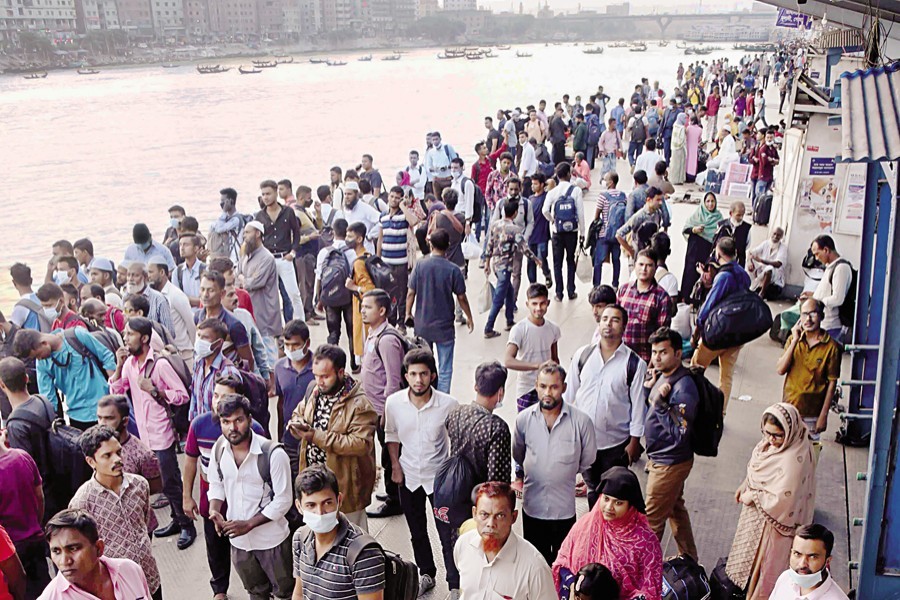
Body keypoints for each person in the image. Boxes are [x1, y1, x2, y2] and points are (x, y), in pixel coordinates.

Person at [108, 317, 195, 549]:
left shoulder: (160, 365)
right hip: (145, 435)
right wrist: (118, 367)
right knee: (161, 481)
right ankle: (177, 520)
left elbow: (182, 395)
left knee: (170, 481)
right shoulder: (129, 365)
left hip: (162, 432)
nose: (125, 339)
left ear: (144, 338)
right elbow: (116, 390)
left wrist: (156, 390)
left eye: (130, 334)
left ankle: (187, 525)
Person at [183, 376, 267, 600]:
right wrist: (186, 497)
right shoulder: (199, 425)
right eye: (216, 395)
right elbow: (191, 461)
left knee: (251, 547)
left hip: (247, 501)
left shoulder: (255, 429)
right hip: (212, 499)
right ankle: (219, 589)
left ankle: (258, 587)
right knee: (215, 546)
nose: (219, 401)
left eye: (226, 396)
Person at [384, 348, 460, 595]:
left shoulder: (448, 405)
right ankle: (426, 573)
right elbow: (391, 435)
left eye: (424, 374)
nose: (419, 380)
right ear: (406, 376)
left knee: (447, 534)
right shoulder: (394, 404)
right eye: (414, 374)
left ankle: (455, 583)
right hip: (408, 478)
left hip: (439, 482)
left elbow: (456, 442)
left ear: (433, 375)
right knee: (417, 532)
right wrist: (395, 466)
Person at [725, 403, 817, 599]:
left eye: (777, 435)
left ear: (790, 432)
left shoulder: (795, 457)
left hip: (774, 528)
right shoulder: (768, 445)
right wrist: (745, 484)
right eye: (766, 433)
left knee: (765, 574)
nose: (770, 440)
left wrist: (753, 496)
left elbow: (784, 499)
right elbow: (756, 470)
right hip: (756, 521)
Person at [208, 394, 294, 600]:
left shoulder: (273, 454)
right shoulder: (219, 449)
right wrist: (214, 510)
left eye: (238, 420)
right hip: (240, 544)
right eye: (225, 422)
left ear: (250, 419)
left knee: (285, 593)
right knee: (255, 593)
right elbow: (216, 483)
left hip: (272, 541)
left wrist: (249, 524)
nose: (232, 427)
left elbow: (283, 500)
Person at [288, 344, 377, 531]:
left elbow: (360, 444)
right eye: (316, 376)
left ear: (340, 372)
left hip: (346, 487)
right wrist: (296, 423)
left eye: (325, 376)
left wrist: (315, 436)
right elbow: (300, 411)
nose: (319, 381)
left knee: (353, 539)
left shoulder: (359, 404)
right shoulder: (314, 391)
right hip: (314, 484)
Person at [565, 305, 647, 508]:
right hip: (585, 441)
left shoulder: (634, 364)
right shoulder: (583, 355)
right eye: (604, 319)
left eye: (615, 320)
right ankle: (597, 531)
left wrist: (634, 442)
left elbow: (638, 407)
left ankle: (612, 534)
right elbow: (567, 395)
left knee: (613, 493)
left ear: (624, 326)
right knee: (593, 489)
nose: (608, 324)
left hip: (615, 444)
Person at [514, 363, 595, 565]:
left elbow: (588, 459)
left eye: (554, 387)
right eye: (543, 386)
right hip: (532, 508)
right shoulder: (524, 420)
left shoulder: (581, 422)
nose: (547, 392)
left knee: (563, 564)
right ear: (536, 385)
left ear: (564, 387)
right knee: (536, 564)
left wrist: (564, 471)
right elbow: (518, 453)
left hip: (564, 511)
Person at [69, 425, 161, 599]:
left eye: (119, 452)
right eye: (107, 455)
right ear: (91, 462)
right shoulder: (82, 501)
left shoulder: (140, 485)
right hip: (116, 586)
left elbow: (145, 524)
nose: (117, 459)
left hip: (149, 576)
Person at [553, 467, 662, 600]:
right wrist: (573, 587)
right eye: (606, 499)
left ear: (630, 506)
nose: (609, 507)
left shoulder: (646, 542)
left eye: (618, 503)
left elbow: (651, 589)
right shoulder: (586, 525)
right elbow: (562, 562)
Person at [643, 327, 699, 561]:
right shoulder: (664, 377)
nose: (657, 357)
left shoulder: (683, 388)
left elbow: (680, 432)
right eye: (654, 352)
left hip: (669, 462)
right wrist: (651, 391)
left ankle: (646, 572)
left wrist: (660, 404)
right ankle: (689, 558)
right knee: (675, 509)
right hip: (662, 458)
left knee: (651, 522)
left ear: (678, 353)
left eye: (663, 352)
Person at [291, 465, 386, 600]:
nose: (320, 512)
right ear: (299, 507)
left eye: (327, 503)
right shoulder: (300, 538)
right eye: (311, 505)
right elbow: (299, 593)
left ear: (339, 500)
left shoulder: (362, 553)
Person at [454, 481, 556, 599]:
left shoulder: (535, 568)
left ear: (513, 517)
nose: (491, 524)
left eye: (500, 516)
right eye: (484, 514)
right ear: (474, 514)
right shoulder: (463, 545)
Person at [407, 229, 473, 392]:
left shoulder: (420, 265)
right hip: (444, 328)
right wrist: (469, 317)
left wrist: (408, 313)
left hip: (423, 325)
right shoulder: (453, 269)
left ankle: (425, 394)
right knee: (445, 369)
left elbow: (410, 292)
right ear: (448, 246)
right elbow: (461, 297)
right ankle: (443, 402)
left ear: (430, 244)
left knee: (424, 365)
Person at [359, 290, 406, 519]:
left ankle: (396, 500)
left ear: (382, 311)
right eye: (362, 306)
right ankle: (391, 492)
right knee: (384, 452)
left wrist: (387, 413)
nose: (362, 311)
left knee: (390, 455)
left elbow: (392, 380)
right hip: (373, 409)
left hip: (383, 411)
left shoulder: (387, 340)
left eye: (368, 307)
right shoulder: (373, 334)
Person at [13, 327, 116, 430]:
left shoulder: (76, 336)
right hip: (78, 416)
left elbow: (106, 357)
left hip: (105, 407)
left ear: (44, 343)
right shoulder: (42, 364)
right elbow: (48, 396)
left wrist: (115, 391)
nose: (39, 359)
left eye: (38, 355)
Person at [38, 508, 153, 600]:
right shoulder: (51, 597)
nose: (64, 561)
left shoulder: (130, 570)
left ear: (99, 548)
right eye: (56, 551)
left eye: (73, 548)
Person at [692, 237, 752, 409]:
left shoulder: (723, 277)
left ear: (718, 254)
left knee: (696, 369)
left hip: (718, 333)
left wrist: (697, 331)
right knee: (726, 377)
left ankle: (693, 406)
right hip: (737, 334)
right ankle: (720, 414)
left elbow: (707, 308)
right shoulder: (744, 275)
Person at [776, 298, 841, 440]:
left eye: (813, 314)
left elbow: (832, 384)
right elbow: (781, 370)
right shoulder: (794, 340)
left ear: (822, 316)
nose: (808, 319)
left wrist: (823, 416)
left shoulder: (832, 348)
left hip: (812, 415)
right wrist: (794, 340)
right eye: (804, 314)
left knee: (809, 457)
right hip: (789, 408)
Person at [0, 429, 51, 598]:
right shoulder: (22, 456)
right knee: (46, 590)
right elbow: (40, 497)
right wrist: (36, 524)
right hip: (35, 538)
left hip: (12, 550)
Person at [446, 361, 512, 490]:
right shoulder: (497, 428)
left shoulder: (455, 413)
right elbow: (497, 480)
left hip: (455, 489)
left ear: (476, 387)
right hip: (480, 498)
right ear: (501, 392)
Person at [484, 201, 541, 338]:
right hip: (505, 266)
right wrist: (536, 259)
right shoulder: (515, 230)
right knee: (499, 297)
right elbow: (524, 248)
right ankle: (488, 327)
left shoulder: (495, 225)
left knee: (509, 292)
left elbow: (489, 244)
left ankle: (509, 320)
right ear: (515, 213)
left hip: (496, 264)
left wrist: (486, 262)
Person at [504, 283, 560, 418]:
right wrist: (537, 366)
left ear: (548, 303)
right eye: (534, 304)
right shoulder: (519, 329)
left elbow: (555, 358)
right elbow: (508, 361)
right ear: (527, 304)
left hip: (547, 388)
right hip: (526, 388)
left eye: (542, 303)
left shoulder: (553, 329)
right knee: (525, 427)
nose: (538, 308)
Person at [377, 186, 421, 329]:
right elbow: (380, 239)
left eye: (397, 197)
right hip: (386, 263)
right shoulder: (382, 216)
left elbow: (414, 221)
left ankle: (401, 324)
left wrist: (403, 206)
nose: (394, 200)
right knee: (388, 294)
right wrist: (378, 260)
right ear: (388, 197)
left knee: (402, 294)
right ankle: (390, 323)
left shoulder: (404, 216)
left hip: (400, 263)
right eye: (392, 197)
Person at [239, 220, 282, 368]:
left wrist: (243, 280)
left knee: (269, 356)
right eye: (244, 232)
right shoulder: (245, 256)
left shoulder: (267, 258)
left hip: (265, 313)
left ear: (258, 234)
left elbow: (253, 283)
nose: (244, 236)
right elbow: (238, 275)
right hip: (251, 312)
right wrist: (242, 279)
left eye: (248, 232)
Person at [617, 250, 672, 363]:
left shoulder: (662, 297)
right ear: (635, 265)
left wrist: (652, 364)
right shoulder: (623, 290)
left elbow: (661, 334)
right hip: (620, 355)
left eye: (649, 265)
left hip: (644, 359)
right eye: (641, 264)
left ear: (655, 268)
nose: (644, 269)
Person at [768, 524, 850, 600]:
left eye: (812, 557)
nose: (802, 564)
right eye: (797, 554)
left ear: (827, 560)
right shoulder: (785, 578)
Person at [194, 270, 254, 372]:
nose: (205, 295)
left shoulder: (233, 325)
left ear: (222, 293)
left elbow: (248, 361)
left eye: (210, 290)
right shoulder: (198, 316)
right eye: (202, 289)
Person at [543, 162, 585, 302]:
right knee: (570, 260)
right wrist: (582, 232)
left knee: (557, 263)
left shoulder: (552, 192)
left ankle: (559, 293)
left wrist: (552, 220)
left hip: (557, 232)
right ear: (568, 174)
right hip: (572, 231)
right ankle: (571, 290)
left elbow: (545, 210)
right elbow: (580, 213)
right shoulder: (576, 191)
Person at [801, 235, 853, 344]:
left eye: (817, 254)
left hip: (831, 325)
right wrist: (813, 295)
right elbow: (829, 291)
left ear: (826, 250)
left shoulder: (841, 268)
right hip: (822, 323)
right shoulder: (831, 267)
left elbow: (838, 299)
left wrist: (816, 302)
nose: (816, 258)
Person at [189, 317, 241, 420]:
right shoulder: (198, 364)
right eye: (199, 336)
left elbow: (230, 411)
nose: (199, 341)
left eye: (205, 337)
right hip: (201, 428)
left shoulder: (227, 372)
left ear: (218, 343)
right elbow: (194, 400)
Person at [147, 256, 195, 364]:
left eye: (151, 272)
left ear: (162, 272)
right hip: (164, 355)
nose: (148, 276)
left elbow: (191, 323)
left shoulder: (175, 295)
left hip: (184, 355)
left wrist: (193, 350)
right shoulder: (152, 297)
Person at [680, 192, 723, 302]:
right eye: (707, 201)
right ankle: (685, 297)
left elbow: (720, 235)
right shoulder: (697, 215)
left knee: (705, 275)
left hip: (707, 251)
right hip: (693, 251)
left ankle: (699, 300)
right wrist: (694, 230)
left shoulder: (718, 218)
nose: (710, 204)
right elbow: (686, 229)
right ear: (703, 203)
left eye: (712, 201)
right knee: (690, 273)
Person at [124, 261, 175, 338]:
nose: (130, 279)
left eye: (135, 276)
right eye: (128, 275)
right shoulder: (125, 297)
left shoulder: (159, 299)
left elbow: (169, 333)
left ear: (145, 277)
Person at [616, 187, 665, 264]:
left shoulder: (658, 213)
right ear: (649, 200)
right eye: (657, 200)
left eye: (661, 200)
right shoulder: (639, 216)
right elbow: (619, 234)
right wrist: (631, 251)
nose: (660, 203)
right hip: (638, 258)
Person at [526, 173, 553, 287]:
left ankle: (547, 273)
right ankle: (533, 284)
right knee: (530, 261)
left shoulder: (547, 197)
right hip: (531, 235)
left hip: (542, 234)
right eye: (532, 184)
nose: (533, 186)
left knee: (542, 256)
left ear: (542, 185)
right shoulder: (530, 199)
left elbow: (552, 184)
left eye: (536, 184)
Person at [748, 227, 788, 299]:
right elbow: (751, 252)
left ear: (781, 237)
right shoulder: (766, 243)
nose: (775, 237)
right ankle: (750, 285)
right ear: (771, 234)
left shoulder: (783, 248)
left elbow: (778, 264)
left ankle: (762, 293)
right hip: (762, 271)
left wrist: (761, 260)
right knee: (750, 260)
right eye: (774, 234)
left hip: (775, 276)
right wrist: (750, 262)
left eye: (778, 235)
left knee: (770, 268)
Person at [712, 200, 751, 266]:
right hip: (721, 263)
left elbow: (747, 245)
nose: (741, 218)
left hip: (738, 263)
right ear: (731, 213)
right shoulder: (721, 225)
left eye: (742, 215)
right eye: (738, 215)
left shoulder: (747, 228)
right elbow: (715, 243)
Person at [173, 234, 206, 307]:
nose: (182, 248)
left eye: (186, 245)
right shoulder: (177, 271)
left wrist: (186, 299)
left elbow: (208, 299)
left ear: (196, 248)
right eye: (180, 245)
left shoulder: (205, 269)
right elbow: (176, 299)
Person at [426, 131, 459, 201]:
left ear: (440, 139)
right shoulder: (430, 152)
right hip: (437, 180)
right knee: (437, 200)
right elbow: (429, 168)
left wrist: (447, 167)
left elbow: (456, 161)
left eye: (436, 139)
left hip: (448, 178)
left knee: (450, 199)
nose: (435, 142)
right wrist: (436, 169)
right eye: (433, 140)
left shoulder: (447, 148)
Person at [669, 114, 688, 184]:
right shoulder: (682, 128)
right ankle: (679, 180)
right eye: (685, 118)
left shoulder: (675, 124)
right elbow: (682, 139)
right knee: (680, 165)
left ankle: (673, 179)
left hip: (674, 147)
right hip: (680, 148)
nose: (685, 120)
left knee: (674, 164)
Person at [685, 117, 703, 182]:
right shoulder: (700, 129)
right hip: (695, 147)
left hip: (687, 146)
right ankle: (692, 176)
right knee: (693, 161)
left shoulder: (688, 128)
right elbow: (699, 139)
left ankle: (686, 175)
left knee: (687, 160)